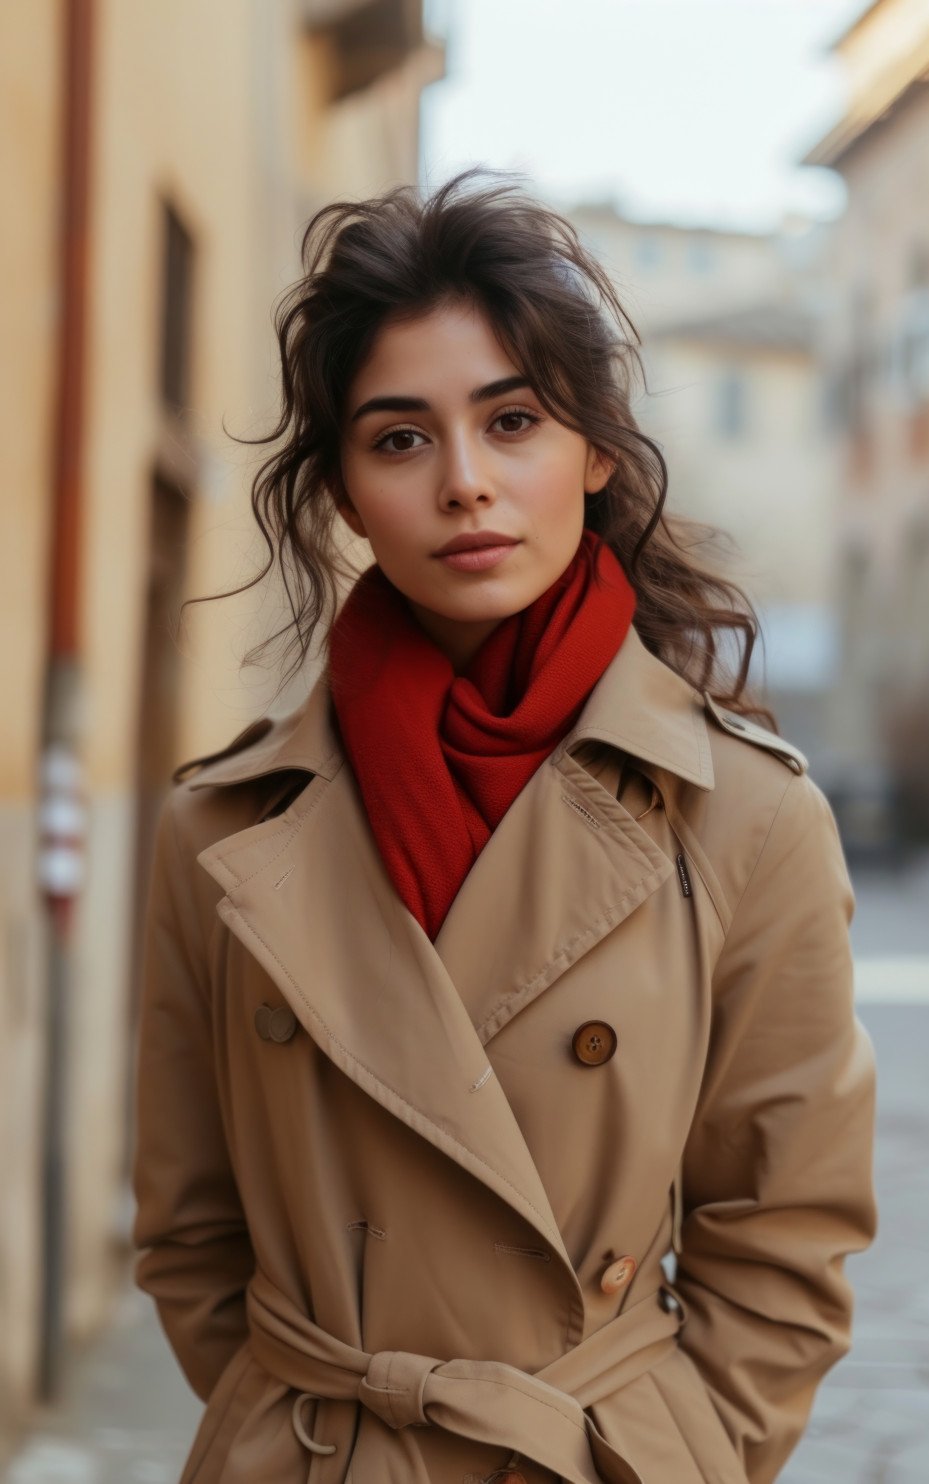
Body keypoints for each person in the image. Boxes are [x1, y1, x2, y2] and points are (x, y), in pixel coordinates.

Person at [132, 170, 877, 1484]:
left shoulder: (749, 817)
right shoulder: (219, 829)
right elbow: (192, 1232)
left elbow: (787, 1236)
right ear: (348, 493)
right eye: (401, 437)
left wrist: (674, 1451)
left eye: (513, 421)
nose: (466, 483)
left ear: (595, 452)